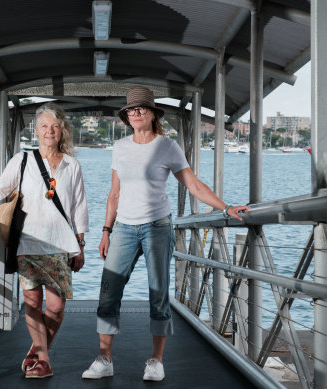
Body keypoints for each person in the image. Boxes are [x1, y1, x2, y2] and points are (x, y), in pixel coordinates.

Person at [82, 86, 249, 382]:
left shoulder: (167, 147)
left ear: (152, 114)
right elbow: (114, 194)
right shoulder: (120, 147)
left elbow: (193, 185)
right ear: (126, 116)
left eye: (141, 109)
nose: (135, 114)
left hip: (157, 226)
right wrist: (106, 230)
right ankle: (104, 358)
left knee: (158, 295)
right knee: (108, 293)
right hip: (123, 228)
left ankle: (156, 361)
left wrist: (225, 208)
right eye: (131, 110)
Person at [0, 102, 88, 379]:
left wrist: (81, 245)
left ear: (62, 131)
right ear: (36, 131)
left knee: (57, 307)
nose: (49, 131)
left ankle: (38, 350)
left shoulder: (72, 165)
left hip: (61, 244)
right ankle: (44, 360)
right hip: (27, 242)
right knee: (32, 302)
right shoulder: (22, 160)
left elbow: (78, 207)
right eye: (44, 126)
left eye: (54, 126)